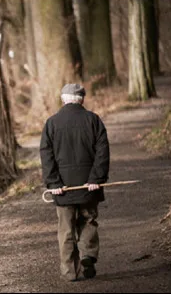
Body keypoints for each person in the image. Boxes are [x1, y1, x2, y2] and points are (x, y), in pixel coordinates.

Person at [39, 83, 110, 282]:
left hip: (62, 188)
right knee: (88, 220)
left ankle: (71, 272)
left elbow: (46, 156)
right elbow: (102, 152)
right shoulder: (93, 120)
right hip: (89, 186)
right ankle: (88, 255)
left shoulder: (51, 123)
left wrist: (53, 182)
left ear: (63, 99)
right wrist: (96, 178)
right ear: (82, 99)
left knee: (66, 229)